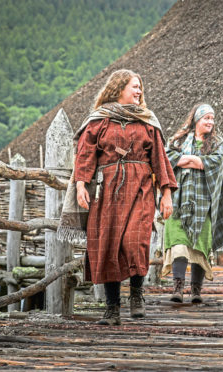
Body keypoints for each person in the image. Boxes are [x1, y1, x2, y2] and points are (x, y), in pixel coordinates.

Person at [73, 69, 177, 325]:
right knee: (107, 244)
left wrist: (166, 194)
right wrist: (80, 185)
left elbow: (160, 160)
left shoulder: (147, 121)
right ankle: (111, 309)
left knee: (135, 241)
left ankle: (137, 295)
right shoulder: (99, 120)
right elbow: (85, 155)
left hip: (140, 189)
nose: (139, 91)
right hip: (107, 191)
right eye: (135, 86)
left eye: (140, 87)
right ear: (118, 88)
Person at [161, 103, 223, 304]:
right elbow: (167, 159)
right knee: (179, 245)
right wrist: (194, 160)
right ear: (196, 120)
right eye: (206, 118)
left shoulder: (217, 143)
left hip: (203, 204)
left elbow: (212, 163)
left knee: (200, 245)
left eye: (212, 118)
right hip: (179, 203)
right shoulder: (178, 140)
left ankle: (196, 291)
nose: (210, 122)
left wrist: (186, 160)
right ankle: (178, 288)